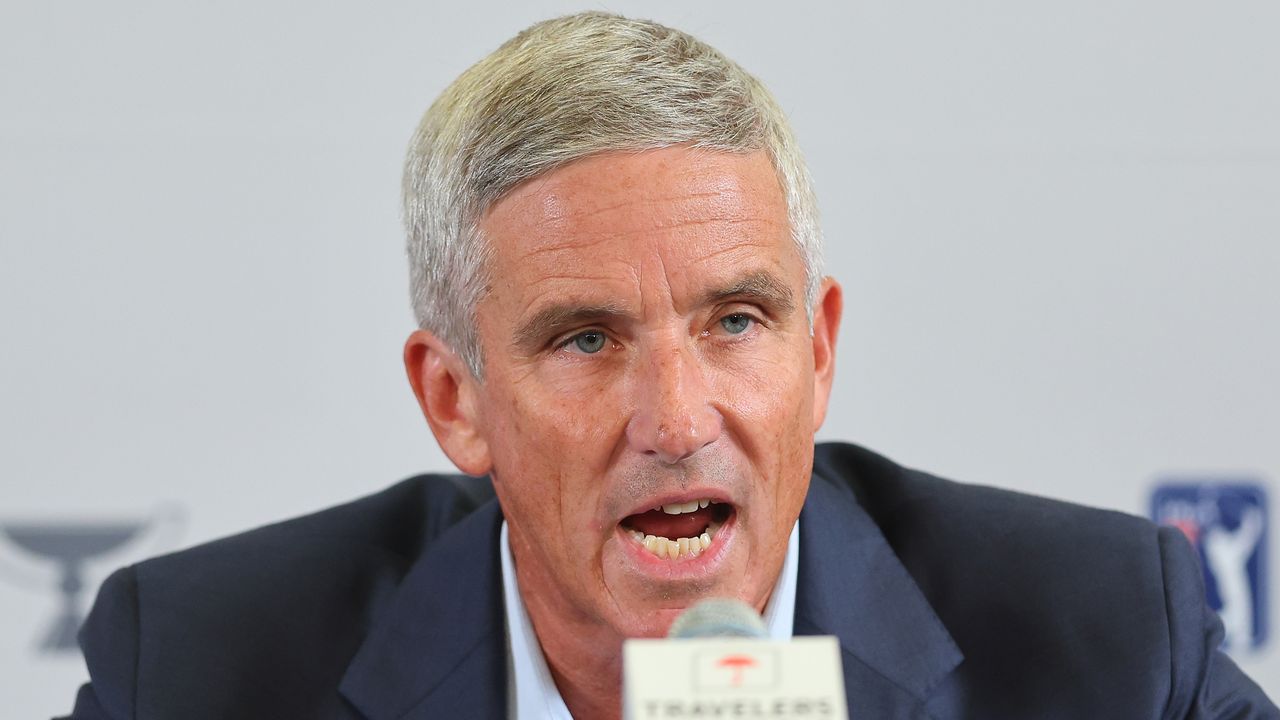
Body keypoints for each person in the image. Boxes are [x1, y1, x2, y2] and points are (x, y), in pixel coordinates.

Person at [61, 12, 1276, 720]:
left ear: (818, 347)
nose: (677, 418)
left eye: (736, 320)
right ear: (455, 400)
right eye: (584, 339)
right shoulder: (196, 667)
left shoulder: (1107, 645)